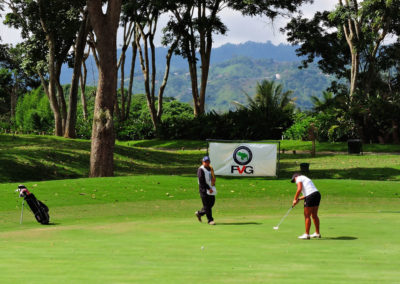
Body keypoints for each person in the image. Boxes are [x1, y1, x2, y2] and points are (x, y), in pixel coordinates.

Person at [291, 173, 321, 239]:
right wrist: (298, 199)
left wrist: (295, 199)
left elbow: (299, 189)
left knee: (307, 215)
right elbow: (307, 194)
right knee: (314, 215)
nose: (295, 182)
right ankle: (317, 233)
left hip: (311, 196)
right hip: (317, 194)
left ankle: (306, 234)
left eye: (294, 180)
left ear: (296, 176)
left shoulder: (299, 178)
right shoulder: (306, 179)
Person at [195, 156, 216, 225]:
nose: (207, 163)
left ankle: (199, 213)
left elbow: (212, 177)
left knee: (211, 203)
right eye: (205, 161)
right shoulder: (201, 169)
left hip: (211, 188)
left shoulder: (210, 168)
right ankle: (210, 220)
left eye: (208, 161)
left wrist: (212, 185)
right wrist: (208, 188)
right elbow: (201, 181)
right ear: (203, 162)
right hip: (204, 190)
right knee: (207, 205)